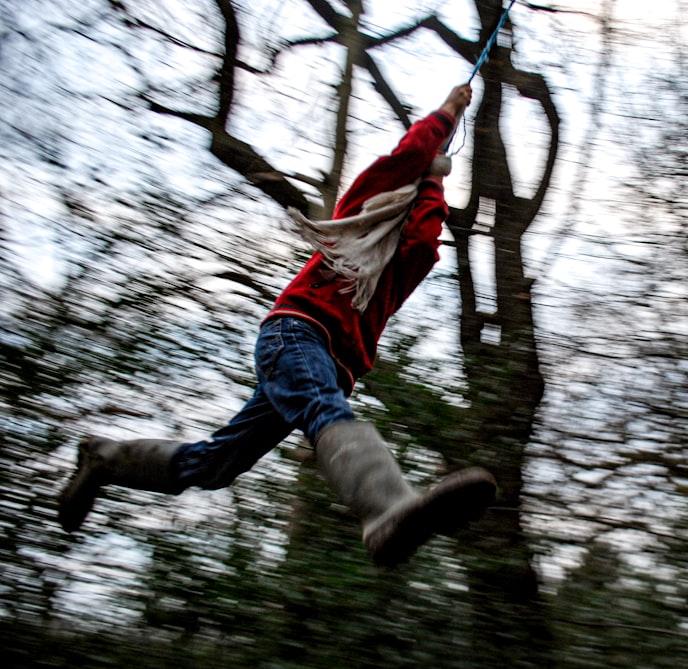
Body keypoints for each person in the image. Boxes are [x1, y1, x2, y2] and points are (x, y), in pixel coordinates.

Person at [58, 83, 496, 568]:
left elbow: (426, 234)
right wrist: (447, 114)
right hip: (297, 334)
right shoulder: (353, 218)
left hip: (322, 362)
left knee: (217, 465)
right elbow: (408, 155)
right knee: (323, 409)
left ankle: (104, 459)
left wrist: (434, 181)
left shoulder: (401, 267)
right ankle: (384, 508)